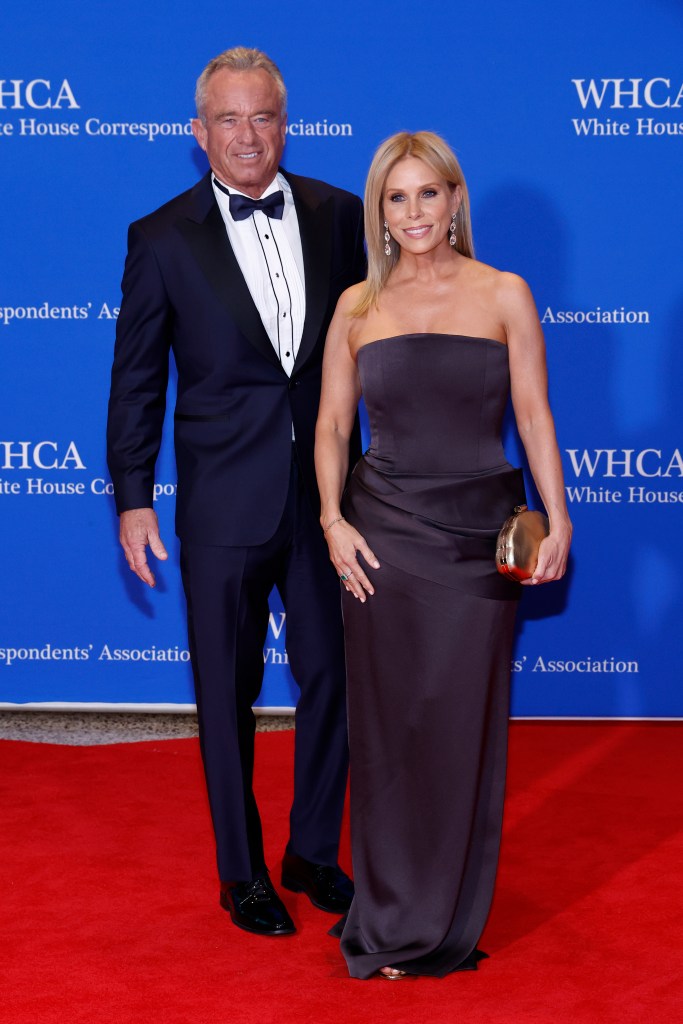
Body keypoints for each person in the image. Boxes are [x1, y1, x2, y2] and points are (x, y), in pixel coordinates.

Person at [106, 47, 365, 937]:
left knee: (335, 677)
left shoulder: (339, 214)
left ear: (284, 125)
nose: (247, 135)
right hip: (221, 501)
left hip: (328, 499)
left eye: (262, 117)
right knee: (225, 692)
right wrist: (132, 496)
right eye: (228, 118)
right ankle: (242, 872)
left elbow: (375, 346)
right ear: (199, 132)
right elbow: (137, 378)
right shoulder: (160, 237)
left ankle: (314, 852)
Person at [315, 131, 571, 978]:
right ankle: (390, 916)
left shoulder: (504, 293)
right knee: (390, 730)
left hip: (475, 539)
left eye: (428, 193)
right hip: (383, 537)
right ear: (379, 212)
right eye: (396, 197)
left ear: (455, 200)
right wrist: (331, 520)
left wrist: (557, 516)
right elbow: (331, 426)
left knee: (460, 724)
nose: (414, 211)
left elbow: (532, 415)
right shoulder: (357, 306)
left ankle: (445, 914)